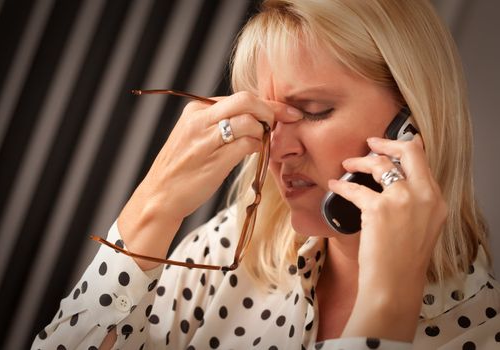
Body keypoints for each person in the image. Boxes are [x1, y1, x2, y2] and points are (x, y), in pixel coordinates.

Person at [32, 0, 500, 349]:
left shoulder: (484, 328)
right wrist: (154, 204)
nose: (276, 149)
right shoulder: (230, 247)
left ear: (412, 121)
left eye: (313, 111)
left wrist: (387, 303)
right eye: (270, 121)